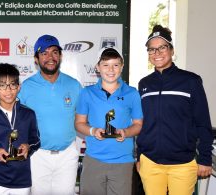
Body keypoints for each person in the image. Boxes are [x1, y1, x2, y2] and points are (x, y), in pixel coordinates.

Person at [137, 25, 214, 195]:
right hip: (150, 163)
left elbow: (202, 122)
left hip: (183, 164)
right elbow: (143, 123)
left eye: (162, 47)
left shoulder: (191, 81)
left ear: (171, 50)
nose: (156, 53)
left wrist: (205, 159)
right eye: (151, 49)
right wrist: (139, 156)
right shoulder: (144, 84)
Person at [18, 34, 82, 195]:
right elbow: (16, 121)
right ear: (36, 58)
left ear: (60, 56)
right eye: (44, 53)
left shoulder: (74, 85)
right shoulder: (26, 87)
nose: (50, 57)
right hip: (38, 155)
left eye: (54, 52)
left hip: (67, 154)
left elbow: (85, 118)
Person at [75, 46, 143, 195]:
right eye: (105, 65)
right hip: (94, 160)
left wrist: (125, 132)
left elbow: (138, 125)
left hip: (123, 162)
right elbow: (79, 123)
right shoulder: (87, 93)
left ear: (122, 66)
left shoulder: (132, 93)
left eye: (115, 65)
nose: (111, 69)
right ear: (97, 67)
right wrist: (93, 131)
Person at [0, 63, 40, 195]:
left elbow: (36, 141)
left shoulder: (29, 114)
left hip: (22, 180)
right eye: (2, 85)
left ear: (19, 87)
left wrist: (28, 147)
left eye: (12, 84)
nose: (8, 90)